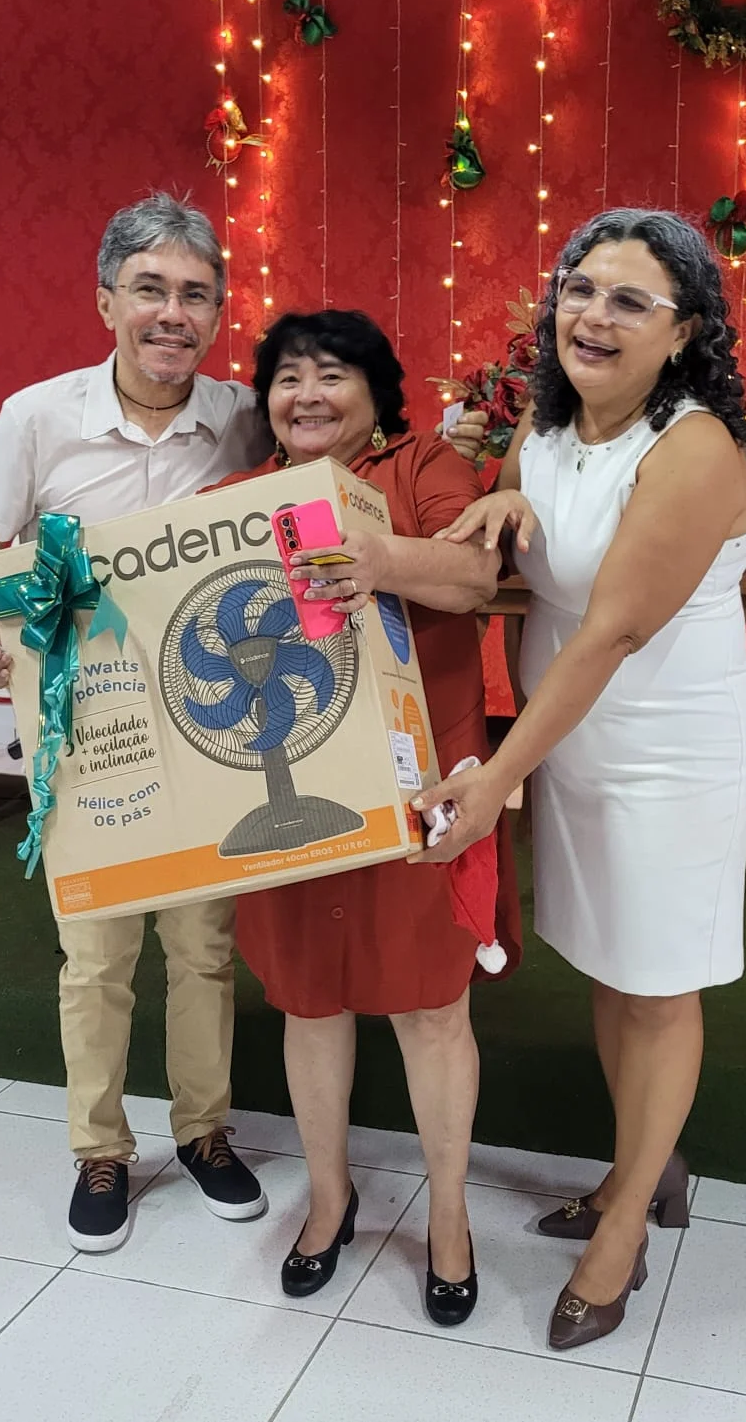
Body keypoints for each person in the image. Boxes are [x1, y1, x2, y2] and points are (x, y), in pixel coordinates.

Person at [0, 191, 489, 1254]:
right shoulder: (37, 416)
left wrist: (483, 472)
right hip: (95, 726)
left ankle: (203, 1131)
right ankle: (100, 1148)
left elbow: (336, 474)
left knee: (203, 947)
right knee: (94, 954)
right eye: (149, 289)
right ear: (106, 301)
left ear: (217, 312)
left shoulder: (245, 415)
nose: (172, 312)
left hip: (222, 734)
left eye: (195, 294)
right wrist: (14, 650)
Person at [414, 208, 746, 1352]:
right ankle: (638, 1168)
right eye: (579, 289)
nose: (593, 316)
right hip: (576, 741)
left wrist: (493, 780)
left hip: (671, 747)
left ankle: (624, 1229)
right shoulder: (548, 423)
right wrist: (503, 496)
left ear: (686, 331)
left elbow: (611, 630)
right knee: (616, 969)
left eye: (629, 300)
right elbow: (521, 538)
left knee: (660, 984)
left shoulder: (697, 448)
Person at [205, 309, 522, 1327]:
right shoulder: (236, 501)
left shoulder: (425, 467)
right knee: (308, 1001)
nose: (306, 394)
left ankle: (449, 1216)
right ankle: (330, 1197)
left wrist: (379, 558)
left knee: (432, 1007)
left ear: (379, 394)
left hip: (422, 786)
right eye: (287, 376)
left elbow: (475, 578)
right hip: (285, 794)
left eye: (332, 374)